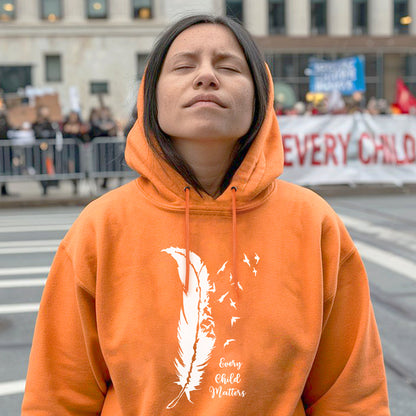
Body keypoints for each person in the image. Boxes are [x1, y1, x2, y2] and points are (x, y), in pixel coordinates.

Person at [22, 15, 390, 415]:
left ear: (260, 98)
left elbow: (352, 399)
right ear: (151, 96)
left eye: (228, 66)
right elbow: (57, 399)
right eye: (183, 65)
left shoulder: (314, 223)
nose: (206, 77)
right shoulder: (100, 228)